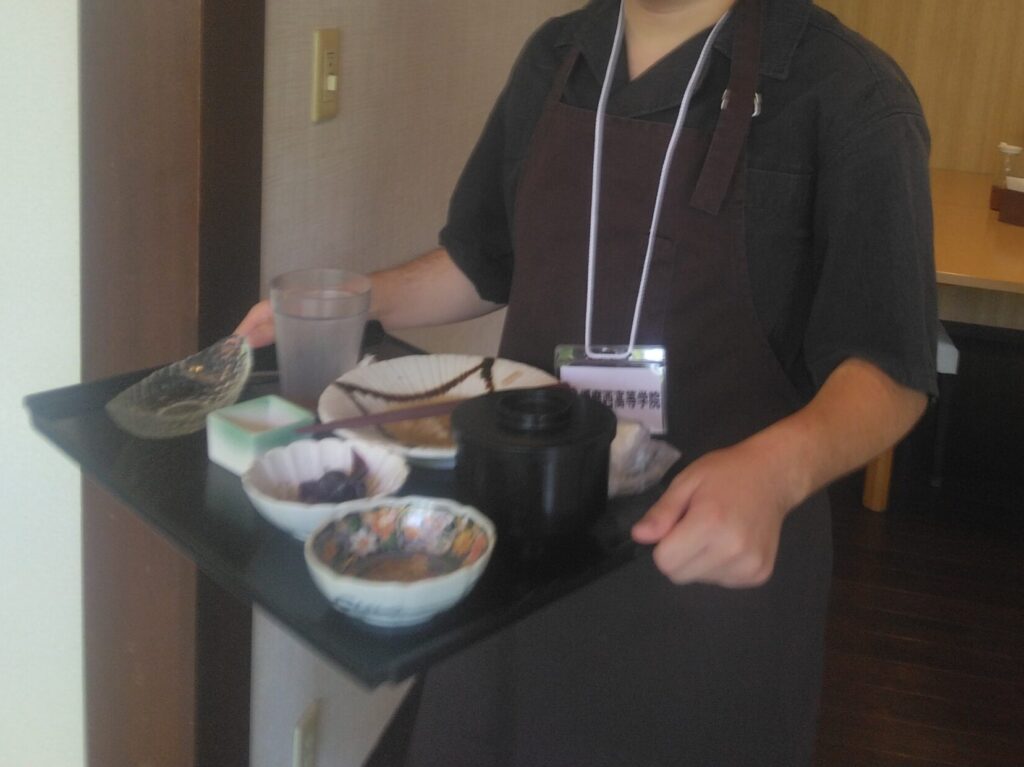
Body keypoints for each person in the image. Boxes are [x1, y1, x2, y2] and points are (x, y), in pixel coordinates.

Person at [237, 0, 937, 763]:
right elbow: (482, 260)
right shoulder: (559, 55)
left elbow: (891, 366)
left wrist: (778, 470)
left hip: (707, 579)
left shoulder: (849, 93)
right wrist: (359, 299)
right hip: (517, 545)